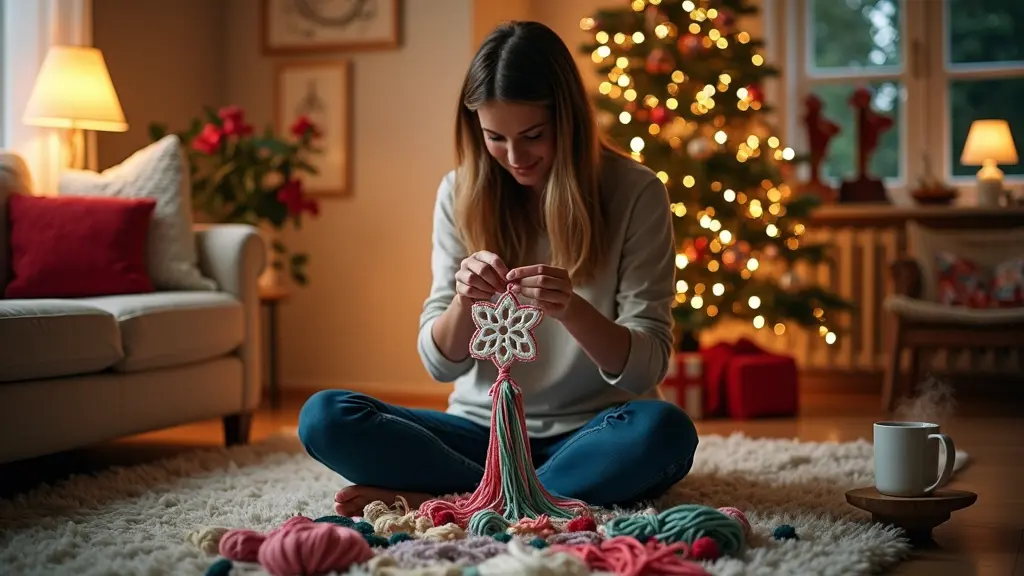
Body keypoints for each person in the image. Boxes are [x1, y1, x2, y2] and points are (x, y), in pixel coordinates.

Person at [298, 20, 699, 517]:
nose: (515, 157)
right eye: (495, 138)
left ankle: (463, 500)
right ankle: (521, 496)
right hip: (481, 432)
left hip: (594, 430)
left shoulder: (636, 192)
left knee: (665, 433)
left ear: (567, 121)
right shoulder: (459, 192)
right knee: (325, 417)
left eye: (533, 135)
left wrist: (571, 309)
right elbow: (440, 363)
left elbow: (649, 364)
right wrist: (465, 302)